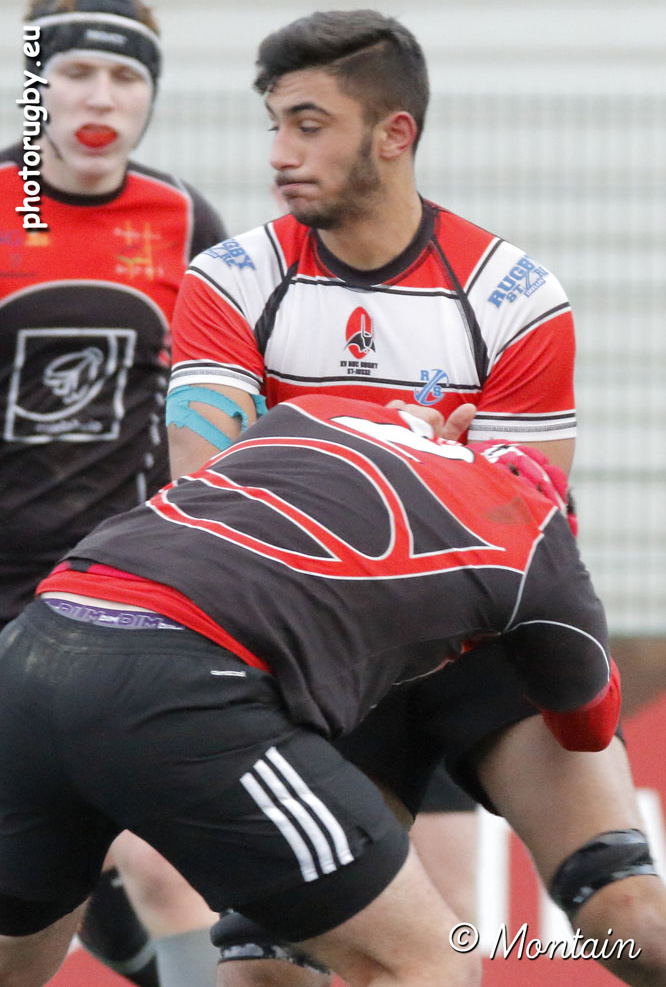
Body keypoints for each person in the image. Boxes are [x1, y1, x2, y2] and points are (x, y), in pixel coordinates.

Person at [163, 10, 666, 987]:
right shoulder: (231, 281)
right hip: (325, 665)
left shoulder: (512, 295)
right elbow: (206, 502)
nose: (279, 153)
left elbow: (526, 534)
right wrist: (420, 460)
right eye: (274, 124)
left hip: (483, 650)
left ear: (395, 133)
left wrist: (320, 455)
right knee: (264, 974)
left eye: (310, 125)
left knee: (634, 925)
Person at [0, 392, 628, 987]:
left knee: (15, 967)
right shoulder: (540, 538)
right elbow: (588, 725)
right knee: (427, 961)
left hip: (38, 640)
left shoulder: (320, 412)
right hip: (182, 682)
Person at [0, 0, 226, 984]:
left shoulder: (184, 219)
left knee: (164, 859)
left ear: (151, 97)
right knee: (43, 876)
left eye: (127, 77)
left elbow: (227, 402)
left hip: (122, 586)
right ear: (35, 92)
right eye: (76, 73)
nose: (101, 97)